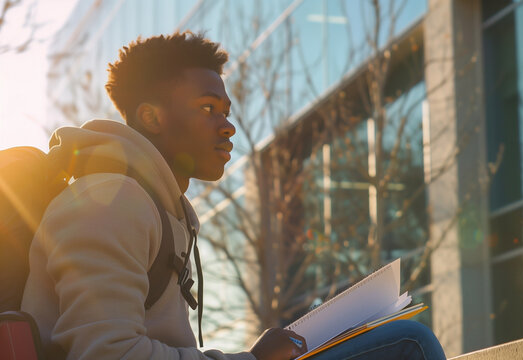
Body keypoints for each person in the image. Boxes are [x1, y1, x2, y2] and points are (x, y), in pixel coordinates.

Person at [20, 31, 445, 360]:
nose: (228, 127)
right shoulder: (109, 200)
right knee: (409, 343)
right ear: (152, 117)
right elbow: (106, 355)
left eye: (226, 111)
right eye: (208, 108)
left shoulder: (154, 206)